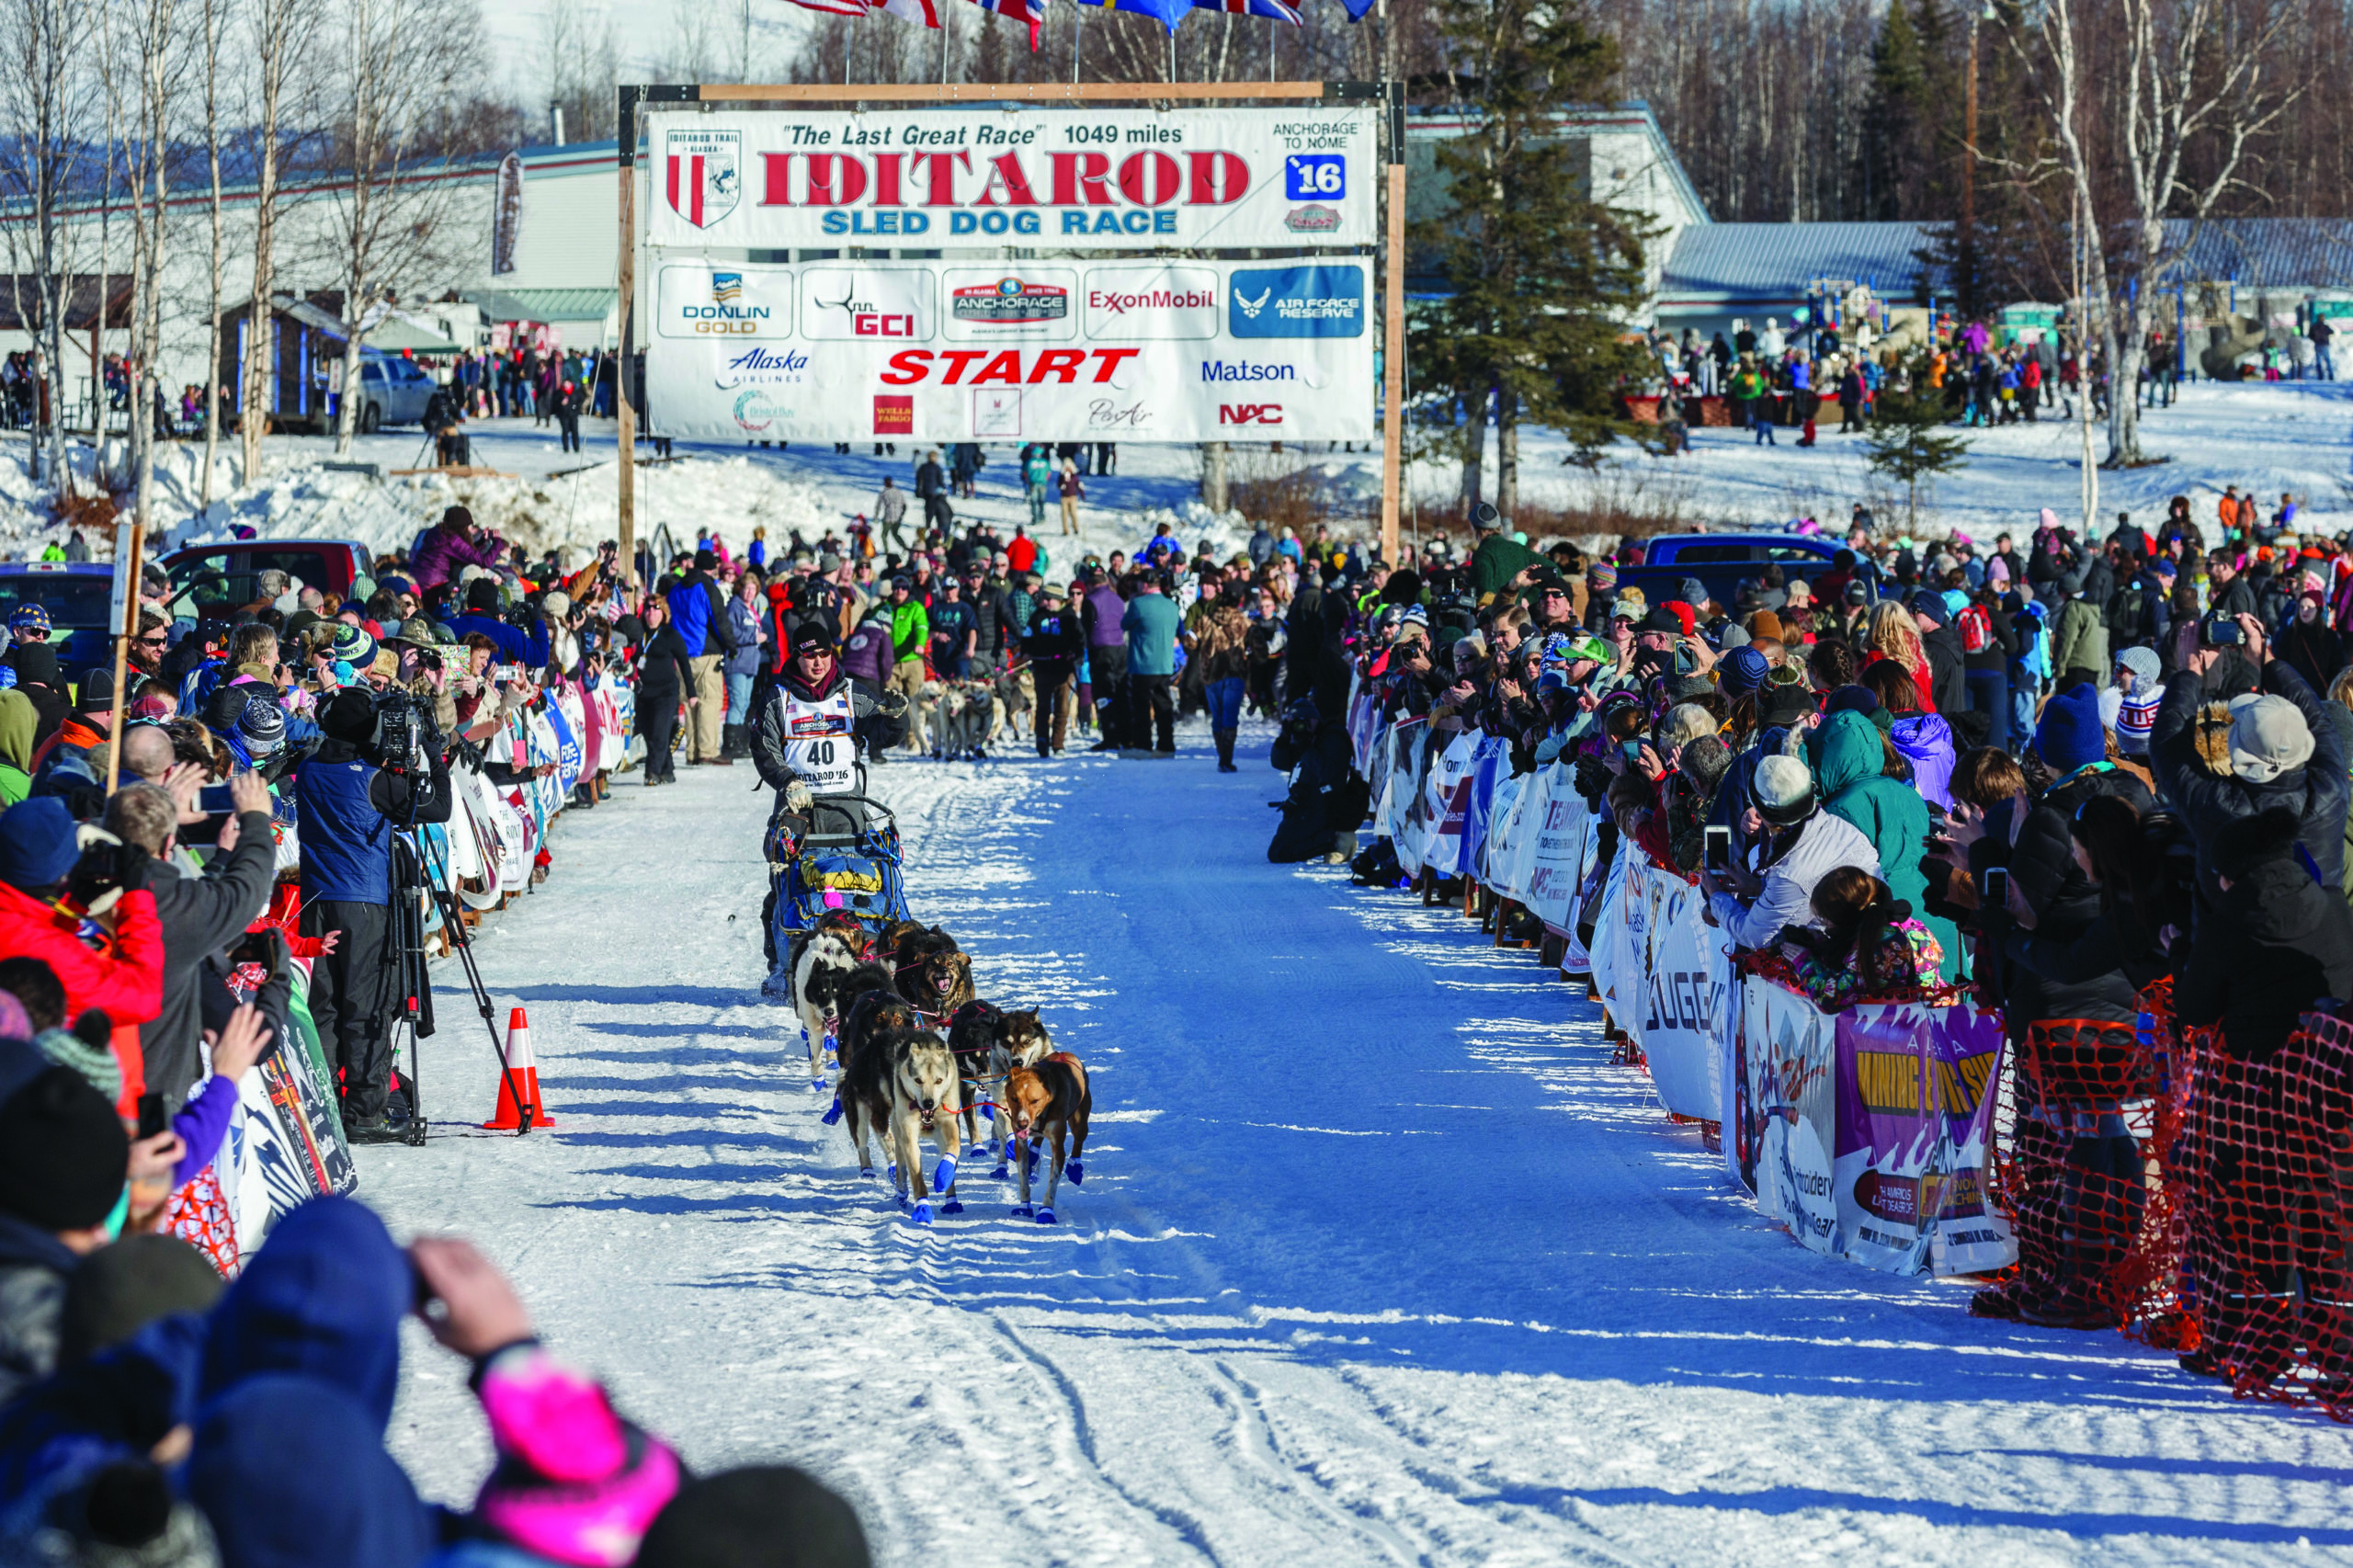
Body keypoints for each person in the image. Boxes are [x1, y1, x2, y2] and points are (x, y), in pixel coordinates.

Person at [295, 687, 452, 1142]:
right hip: (363, 903)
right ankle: (366, 1113)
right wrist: (433, 755)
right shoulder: (370, 778)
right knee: (366, 1009)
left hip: (315, 902)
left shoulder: (308, 769)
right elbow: (438, 807)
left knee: (323, 1007)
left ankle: (324, 1104)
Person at [748, 622, 909, 968]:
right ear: (797, 656)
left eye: (824, 654)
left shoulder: (852, 693)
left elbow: (882, 733)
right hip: (797, 813)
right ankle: (783, 964)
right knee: (789, 889)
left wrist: (896, 718)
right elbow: (763, 745)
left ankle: (861, 954)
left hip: (847, 810)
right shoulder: (778, 697)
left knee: (851, 882)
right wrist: (787, 780)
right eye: (810, 656)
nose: (818, 662)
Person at [1701, 752, 1881, 950]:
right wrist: (1758, 887)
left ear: (1763, 812)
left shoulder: (1791, 874)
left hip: (1845, 966)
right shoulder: (1841, 828)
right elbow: (1806, 894)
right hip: (1879, 944)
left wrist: (1717, 898)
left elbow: (1751, 934)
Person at [666, 551, 737, 767]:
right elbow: (719, 620)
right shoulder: (707, 587)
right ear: (711, 568)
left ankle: (692, 751)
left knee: (690, 701)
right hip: (705, 652)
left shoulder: (676, 588)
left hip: (681, 653)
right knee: (709, 701)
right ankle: (707, 751)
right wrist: (731, 645)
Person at [632, 596, 696, 787]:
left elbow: (684, 664)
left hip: (665, 693)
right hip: (643, 693)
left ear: (664, 613)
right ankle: (667, 770)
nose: (651, 612)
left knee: (660, 733)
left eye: (656, 609)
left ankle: (652, 772)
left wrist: (691, 693)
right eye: (648, 609)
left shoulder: (671, 635)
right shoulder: (638, 634)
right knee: (649, 734)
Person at [1121, 574, 1180, 756]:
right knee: (1163, 705)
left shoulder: (1138, 604)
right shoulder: (1172, 606)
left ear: (1145, 585)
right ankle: (1166, 746)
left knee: (1141, 707)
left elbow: (1124, 624)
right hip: (1164, 664)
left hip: (1143, 664)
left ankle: (1143, 745)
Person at [1022, 585, 1082, 756]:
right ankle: (1041, 739)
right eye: (1044, 599)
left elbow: (1080, 639)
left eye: (1049, 599)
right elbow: (1027, 636)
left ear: (1058, 600)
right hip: (1042, 668)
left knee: (1062, 709)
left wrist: (1075, 656)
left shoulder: (1069, 617)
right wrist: (1026, 652)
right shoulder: (1037, 616)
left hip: (1063, 669)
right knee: (1042, 707)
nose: (1046, 602)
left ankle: (1058, 743)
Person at [886, 578, 930, 755]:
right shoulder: (885, 607)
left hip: (912, 660)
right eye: (896, 587)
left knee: (914, 700)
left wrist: (920, 643)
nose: (899, 591)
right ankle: (896, 736)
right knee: (894, 701)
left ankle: (912, 737)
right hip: (891, 661)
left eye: (904, 588)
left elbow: (921, 626)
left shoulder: (915, 608)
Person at [873, 476, 910, 555]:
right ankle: (904, 547)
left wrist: (876, 517)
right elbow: (905, 506)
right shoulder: (898, 492)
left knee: (884, 535)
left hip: (888, 518)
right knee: (895, 534)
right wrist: (901, 515)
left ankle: (886, 550)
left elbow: (878, 506)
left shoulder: (883, 493)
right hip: (897, 518)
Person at [1057, 459, 1085, 536]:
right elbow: (1059, 485)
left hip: (1073, 497)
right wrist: (1064, 480)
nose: (1067, 469)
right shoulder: (1061, 476)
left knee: (1073, 513)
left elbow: (1079, 485)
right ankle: (1065, 530)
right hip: (1064, 498)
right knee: (1064, 514)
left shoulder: (1074, 477)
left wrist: (1082, 495)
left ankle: (1075, 528)